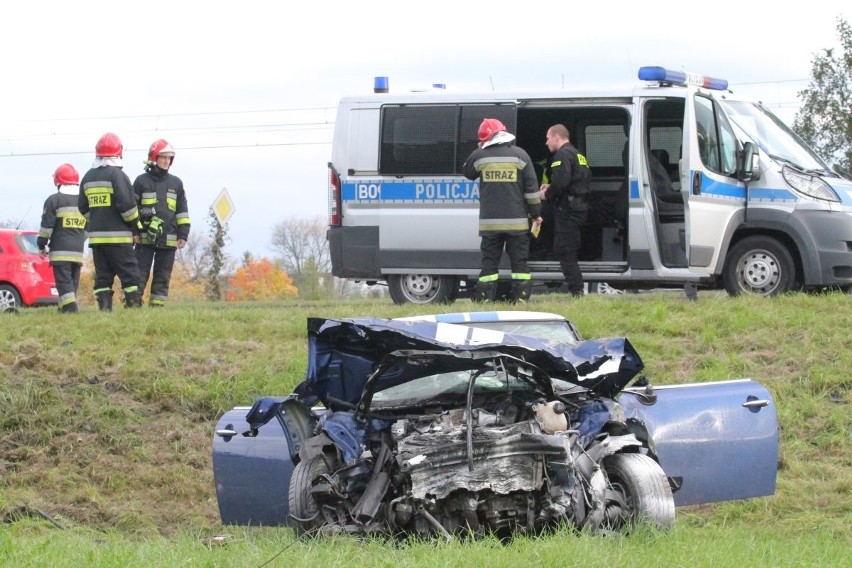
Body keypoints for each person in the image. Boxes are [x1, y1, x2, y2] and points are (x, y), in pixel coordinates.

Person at [463, 118, 542, 303]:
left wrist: (479, 149)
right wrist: (536, 213)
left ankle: (484, 300)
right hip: (517, 224)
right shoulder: (520, 156)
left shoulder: (480, 156)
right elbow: (531, 190)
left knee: (489, 263)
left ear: (485, 138)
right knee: (519, 263)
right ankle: (521, 300)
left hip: (490, 225)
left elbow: (467, 172)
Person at [78, 132, 142, 311]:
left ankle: (105, 312)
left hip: (97, 240)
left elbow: (82, 207)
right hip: (119, 240)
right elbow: (128, 207)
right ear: (118, 153)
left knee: (103, 278)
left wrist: (97, 221)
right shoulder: (118, 176)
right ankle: (133, 310)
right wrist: (134, 225)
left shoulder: (88, 177)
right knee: (130, 277)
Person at [133, 139, 191, 307]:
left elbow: (182, 211)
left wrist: (183, 234)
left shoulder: (176, 183)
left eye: (169, 158)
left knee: (163, 274)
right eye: (163, 157)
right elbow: (133, 210)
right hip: (145, 239)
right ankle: (134, 304)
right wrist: (134, 232)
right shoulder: (140, 181)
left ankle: (157, 307)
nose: (166, 161)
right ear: (154, 158)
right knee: (139, 273)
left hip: (169, 238)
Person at [539, 124, 591, 298]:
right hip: (579, 207)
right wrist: (552, 186)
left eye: (547, 138)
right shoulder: (578, 155)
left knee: (565, 250)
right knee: (568, 248)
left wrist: (546, 193)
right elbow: (575, 181)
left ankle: (577, 292)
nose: (546, 142)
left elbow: (561, 183)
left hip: (567, 210)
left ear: (556, 136)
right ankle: (576, 290)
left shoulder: (561, 155)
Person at [37, 164, 87, 313]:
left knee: (63, 281)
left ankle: (71, 307)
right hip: (77, 250)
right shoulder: (83, 201)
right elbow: (89, 225)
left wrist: (41, 244)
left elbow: (47, 227)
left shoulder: (54, 200)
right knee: (72, 281)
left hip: (60, 250)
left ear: (58, 181)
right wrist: (79, 238)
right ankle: (63, 307)